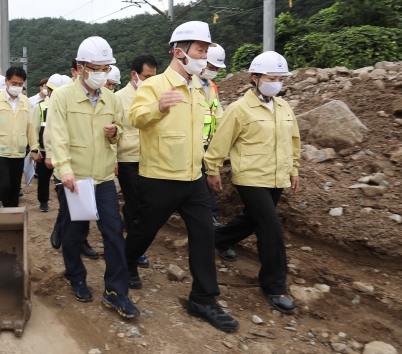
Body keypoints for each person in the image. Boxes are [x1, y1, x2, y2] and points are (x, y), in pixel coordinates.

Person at [125, 21, 239, 333]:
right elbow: (135, 117)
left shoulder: (197, 89)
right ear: (179, 52)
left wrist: (209, 167)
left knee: (204, 236)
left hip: (193, 178)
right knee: (144, 230)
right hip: (160, 177)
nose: (205, 56)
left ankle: (202, 298)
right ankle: (128, 260)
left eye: (206, 50)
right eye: (201, 50)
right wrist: (158, 108)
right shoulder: (153, 86)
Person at [205, 50, 300, 315]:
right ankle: (274, 285)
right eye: (272, 77)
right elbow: (220, 141)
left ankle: (217, 238)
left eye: (281, 78)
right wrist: (212, 169)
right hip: (250, 177)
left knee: (252, 219)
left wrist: (294, 170)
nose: (277, 82)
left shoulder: (283, 107)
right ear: (255, 78)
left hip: (276, 177)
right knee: (270, 228)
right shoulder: (239, 109)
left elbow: (293, 141)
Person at [48, 36, 137, 319]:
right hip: (75, 178)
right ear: (80, 68)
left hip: (102, 179)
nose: (102, 73)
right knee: (75, 234)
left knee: (114, 233)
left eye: (106, 68)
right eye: (96, 68)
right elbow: (56, 136)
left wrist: (115, 134)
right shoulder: (62, 97)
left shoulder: (111, 98)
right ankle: (76, 277)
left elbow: (120, 133)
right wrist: (65, 170)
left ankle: (115, 291)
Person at [45, 63, 99, 260]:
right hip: (64, 162)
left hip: (87, 163)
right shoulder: (63, 96)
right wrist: (51, 155)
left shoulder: (94, 96)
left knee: (81, 206)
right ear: (75, 71)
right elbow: (52, 131)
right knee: (68, 205)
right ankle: (64, 235)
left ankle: (79, 239)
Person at [115, 54, 158, 269]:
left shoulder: (156, 96)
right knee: (134, 203)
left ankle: (135, 239)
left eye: (154, 76)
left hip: (151, 159)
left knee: (148, 204)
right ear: (134, 75)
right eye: (147, 76)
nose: (151, 81)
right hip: (128, 158)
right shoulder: (119, 98)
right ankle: (134, 249)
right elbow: (113, 129)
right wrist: (113, 158)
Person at [0, 68, 37, 207]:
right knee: (2, 186)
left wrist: (34, 148)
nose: (17, 87)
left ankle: (12, 218)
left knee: (15, 188)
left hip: (18, 152)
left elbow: (30, 126)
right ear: (6, 82)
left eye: (20, 84)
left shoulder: (26, 102)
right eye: (14, 83)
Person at [198, 44, 227, 227]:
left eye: (216, 69)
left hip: (206, 143)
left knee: (205, 180)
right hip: (190, 144)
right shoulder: (187, 83)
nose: (213, 71)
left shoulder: (212, 86)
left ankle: (210, 216)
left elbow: (218, 114)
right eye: (211, 67)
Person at [29, 74, 65, 212]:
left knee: (61, 178)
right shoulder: (41, 106)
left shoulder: (65, 105)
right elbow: (34, 128)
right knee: (43, 179)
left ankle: (63, 202)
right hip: (44, 149)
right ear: (48, 90)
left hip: (60, 148)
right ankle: (43, 201)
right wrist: (35, 149)